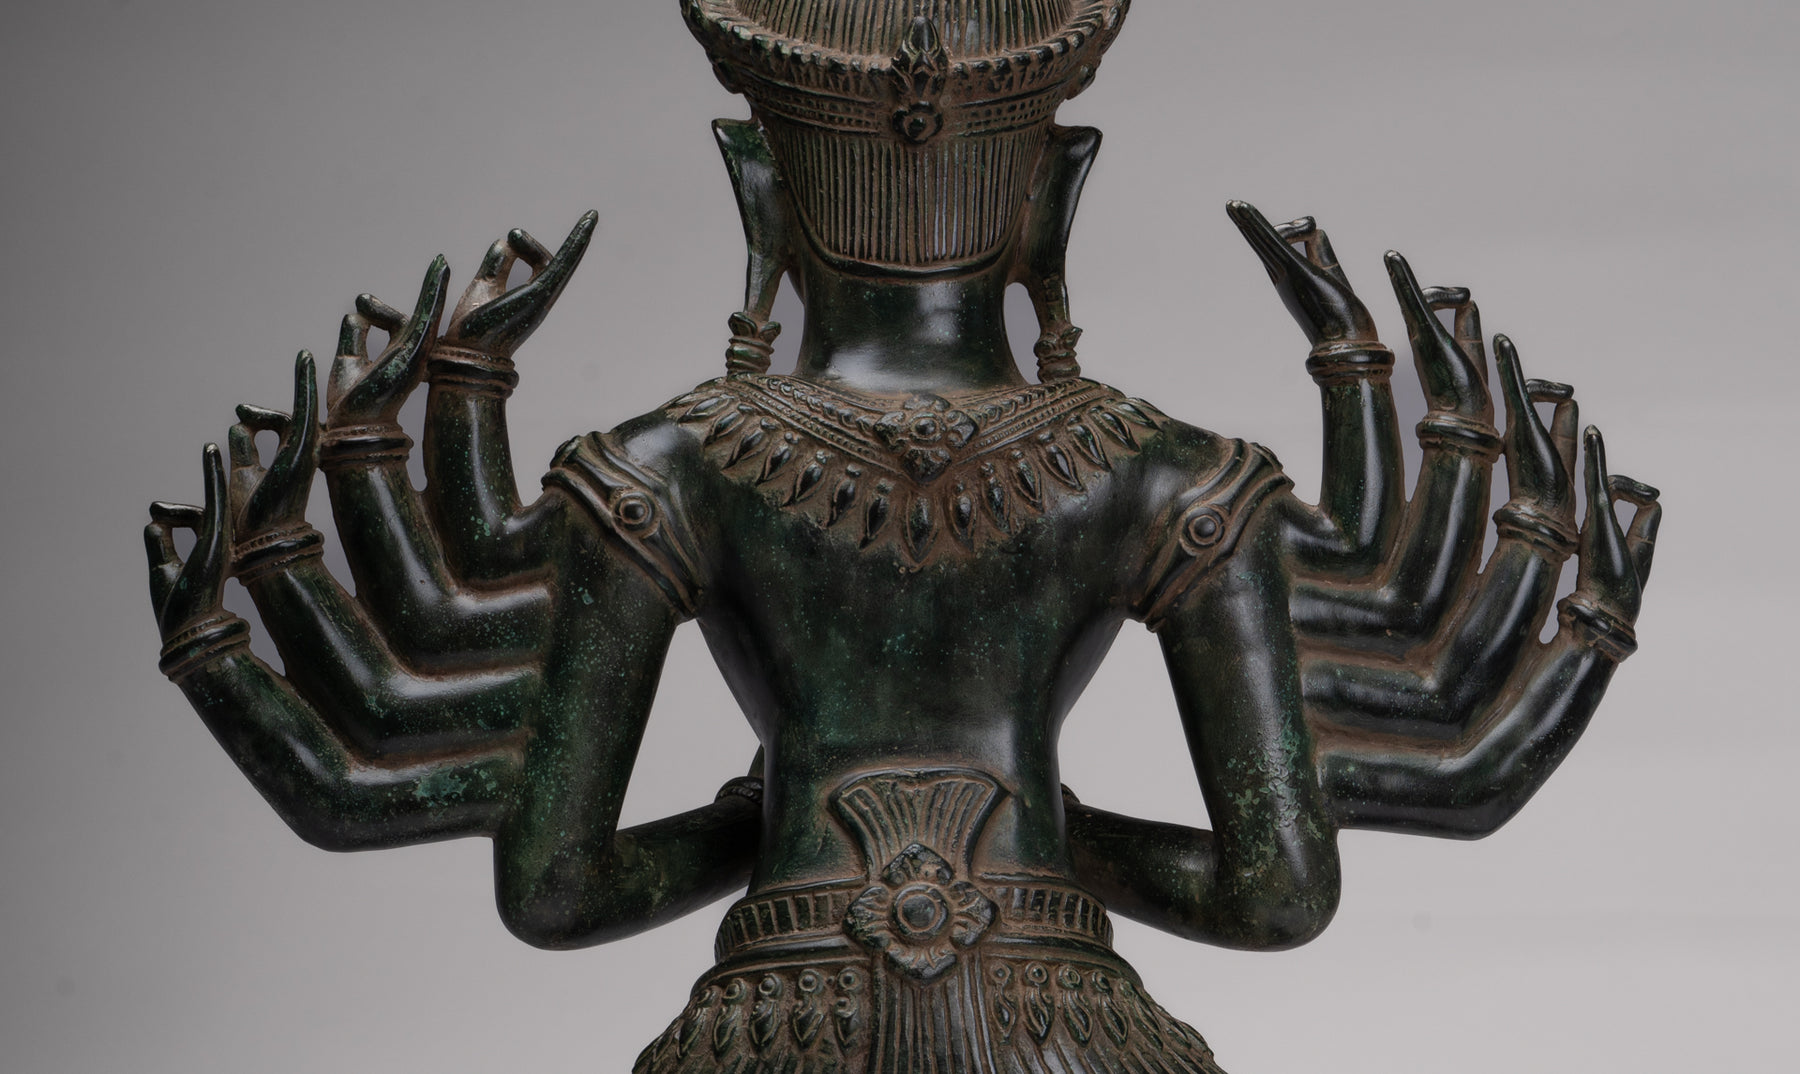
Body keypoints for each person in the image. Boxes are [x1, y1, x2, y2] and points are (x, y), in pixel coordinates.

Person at [144, 2, 1658, 1070]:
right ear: (1051, 201)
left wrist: (765, 821)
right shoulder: (1165, 476)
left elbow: (551, 887)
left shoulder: (667, 468)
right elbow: (1282, 890)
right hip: (1072, 1035)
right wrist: (1051, 832)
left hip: (775, 1031)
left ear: (761, 200)